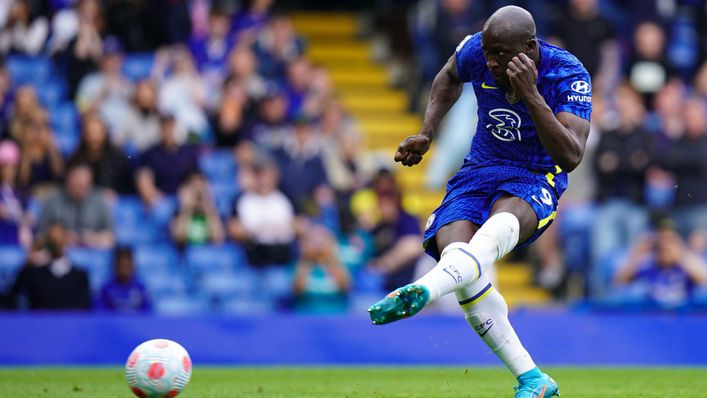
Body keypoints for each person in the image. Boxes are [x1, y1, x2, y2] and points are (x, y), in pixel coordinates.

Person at [368, 6, 591, 397]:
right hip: (479, 169)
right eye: (488, 51)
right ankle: (533, 380)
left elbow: (571, 155)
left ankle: (424, 289)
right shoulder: (478, 51)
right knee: (457, 257)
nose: (490, 61)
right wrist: (427, 132)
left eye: (501, 54)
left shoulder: (567, 74)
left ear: (530, 48)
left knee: (487, 239)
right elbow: (448, 77)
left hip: (535, 174)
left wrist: (531, 94)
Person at [615, 223, 707, 308]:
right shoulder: (649, 265)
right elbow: (620, 280)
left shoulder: (686, 265)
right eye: (661, 241)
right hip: (653, 317)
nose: (664, 246)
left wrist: (682, 253)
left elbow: (703, 279)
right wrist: (637, 252)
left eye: (669, 241)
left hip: (683, 317)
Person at [7, 222, 91, 310]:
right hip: (38, 322)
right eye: (54, 240)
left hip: (68, 322)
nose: (57, 243)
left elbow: (84, 310)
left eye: (59, 239)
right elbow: (11, 298)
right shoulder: (32, 273)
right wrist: (29, 261)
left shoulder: (80, 276)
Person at [37, 163, 114, 248]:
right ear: (68, 181)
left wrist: (93, 238)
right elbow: (40, 236)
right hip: (60, 252)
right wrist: (62, 238)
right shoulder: (52, 201)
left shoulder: (99, 201)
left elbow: (111, 237)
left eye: (83, 186)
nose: (79, 190)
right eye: (77, 185)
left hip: (92, 252)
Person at [99, 246, 151, 313]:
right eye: (122, 266)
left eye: (128, 266)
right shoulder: (106, 289)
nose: (125, 270)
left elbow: (148, 313)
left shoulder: (140, 288)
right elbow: (99, 313)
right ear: (115, 266)